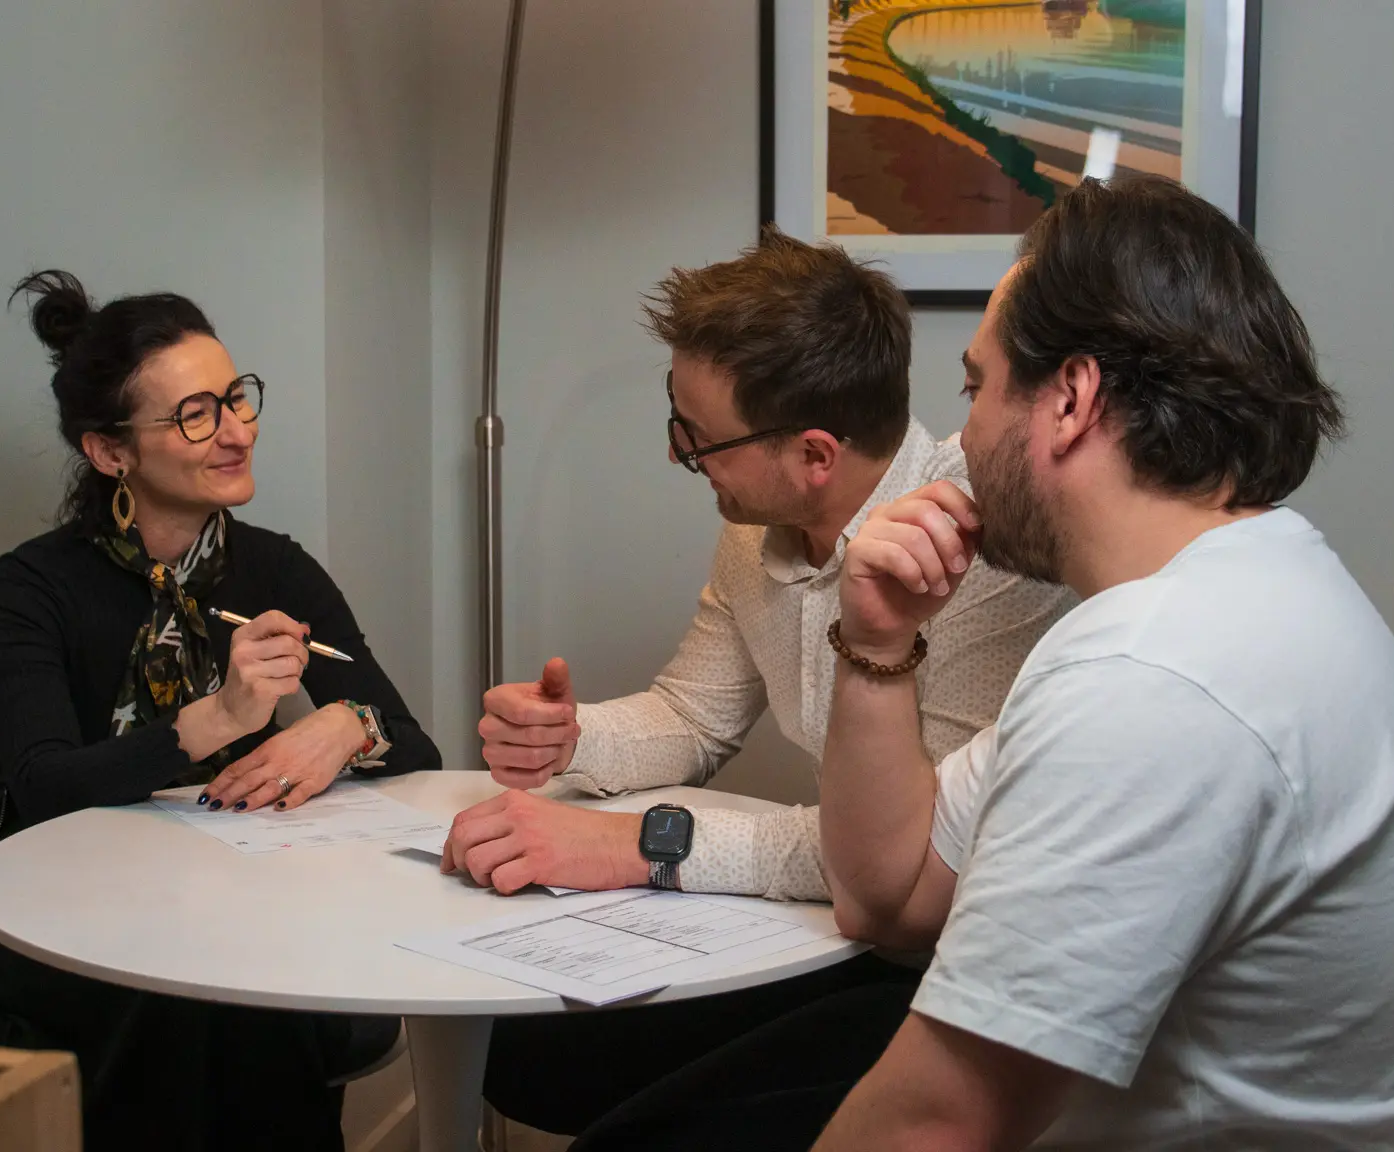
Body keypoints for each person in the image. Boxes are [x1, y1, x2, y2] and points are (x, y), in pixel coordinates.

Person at [570, 176, 1394, 1152]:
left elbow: (936, 1125)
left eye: (975, 387)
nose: (959, 437)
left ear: (1068, 399)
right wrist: (878, 644)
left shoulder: (1153, 678)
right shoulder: (1232, 595)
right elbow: (886, 895)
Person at [449, 228, 1074, 1135]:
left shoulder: (983, 559)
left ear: (814, 455)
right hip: (840, 931)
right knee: (529, 1058)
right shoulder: (757, 530)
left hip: (955, 970)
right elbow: (693, 716)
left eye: (699, 439)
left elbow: (910, 860)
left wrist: (640, 845)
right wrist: (574, 737)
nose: (679, 456)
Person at [0, 270, 441, 1151]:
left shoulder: (275, 570)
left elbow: (415, 747)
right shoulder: (29, 590)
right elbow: (40, 786)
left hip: (240, 909)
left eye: (235, 398)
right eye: (196, 415)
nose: (237, 431)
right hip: (73, 918)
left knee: (254, 989)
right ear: (111, 454)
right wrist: (214, 720)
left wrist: (347, 726)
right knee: (202, 1006)